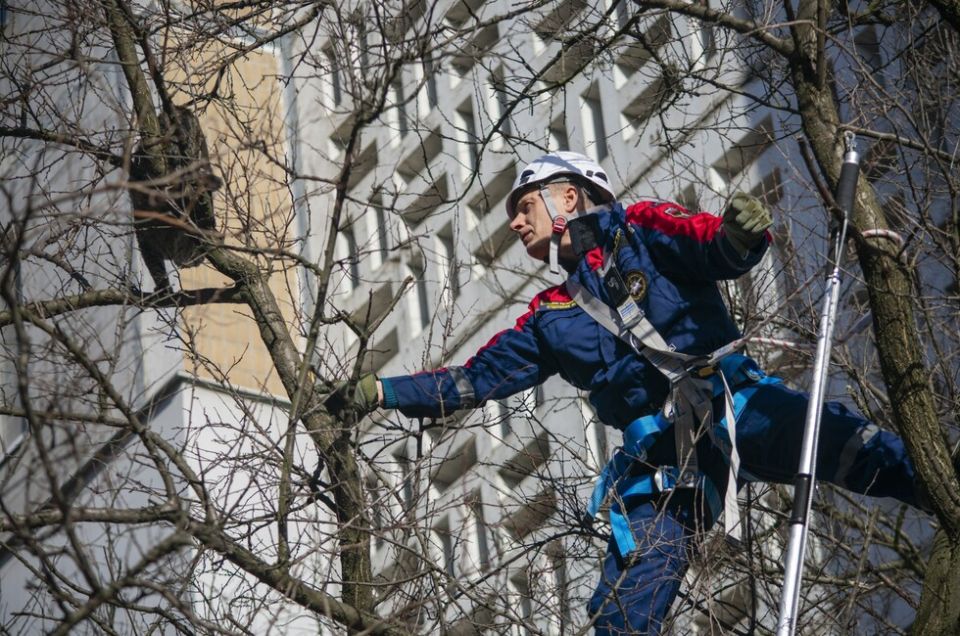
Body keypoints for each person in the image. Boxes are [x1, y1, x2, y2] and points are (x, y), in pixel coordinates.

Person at [341, 151, 926, 634]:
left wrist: (740, 235)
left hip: (733, 402)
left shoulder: (639, 230)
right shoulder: (551, 316)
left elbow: (708, 247)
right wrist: (381, 390)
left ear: (566, 197)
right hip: (661, 459)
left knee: (859, 449)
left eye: (523, 208)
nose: (516, 225)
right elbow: (472, 381)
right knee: (624, 610)